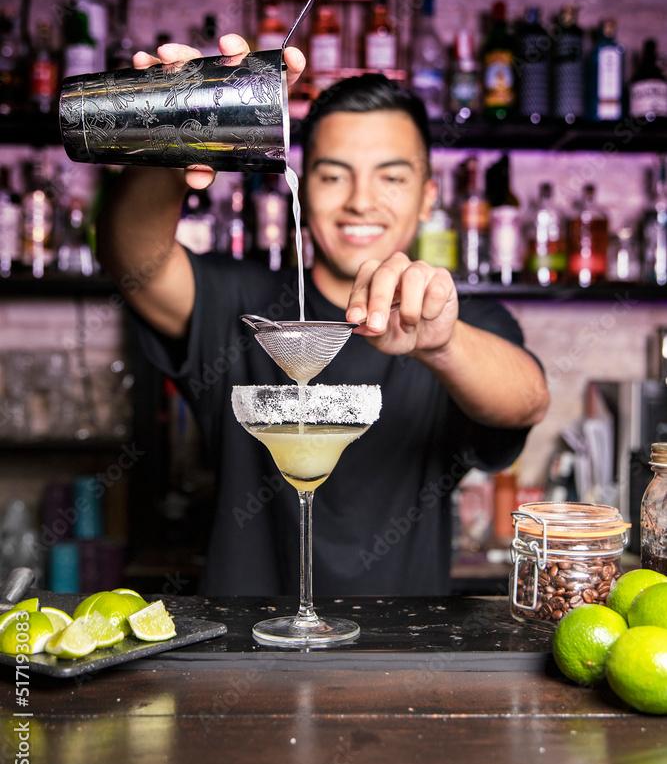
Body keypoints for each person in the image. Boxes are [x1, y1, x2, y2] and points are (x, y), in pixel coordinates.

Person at [97, 33, 549, 596]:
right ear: (301, 189)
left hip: (399, 656)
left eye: (391, 177)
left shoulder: (459, 321)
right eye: (334, 176)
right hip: (243, 651)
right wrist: (175, 124)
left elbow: (527, 399)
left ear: (428, 196)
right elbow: (131, 258)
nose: (361, 201)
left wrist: (442, 342)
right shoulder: (240, 303)